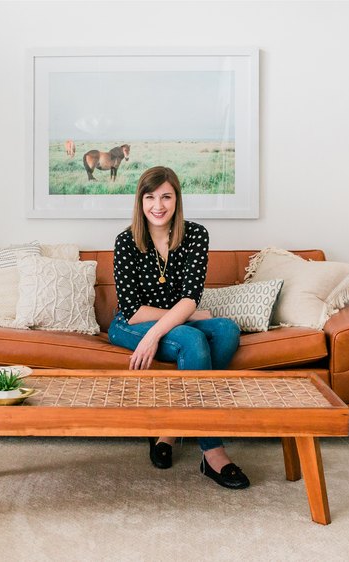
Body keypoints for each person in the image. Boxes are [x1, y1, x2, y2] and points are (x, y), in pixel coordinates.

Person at [108, 166, 250, 489]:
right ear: (140, 201)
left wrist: (166, 327)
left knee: (228, 330)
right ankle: (213, 453)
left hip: (161, 325)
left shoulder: (196, 235)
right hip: (130, 324)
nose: (158, 205)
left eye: (166, 196)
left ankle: (169, 428)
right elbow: (132, 311)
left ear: (177, 199)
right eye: (150, 197)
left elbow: (190, 297)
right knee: (192, 338)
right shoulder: (126, 241)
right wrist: (188, 318)